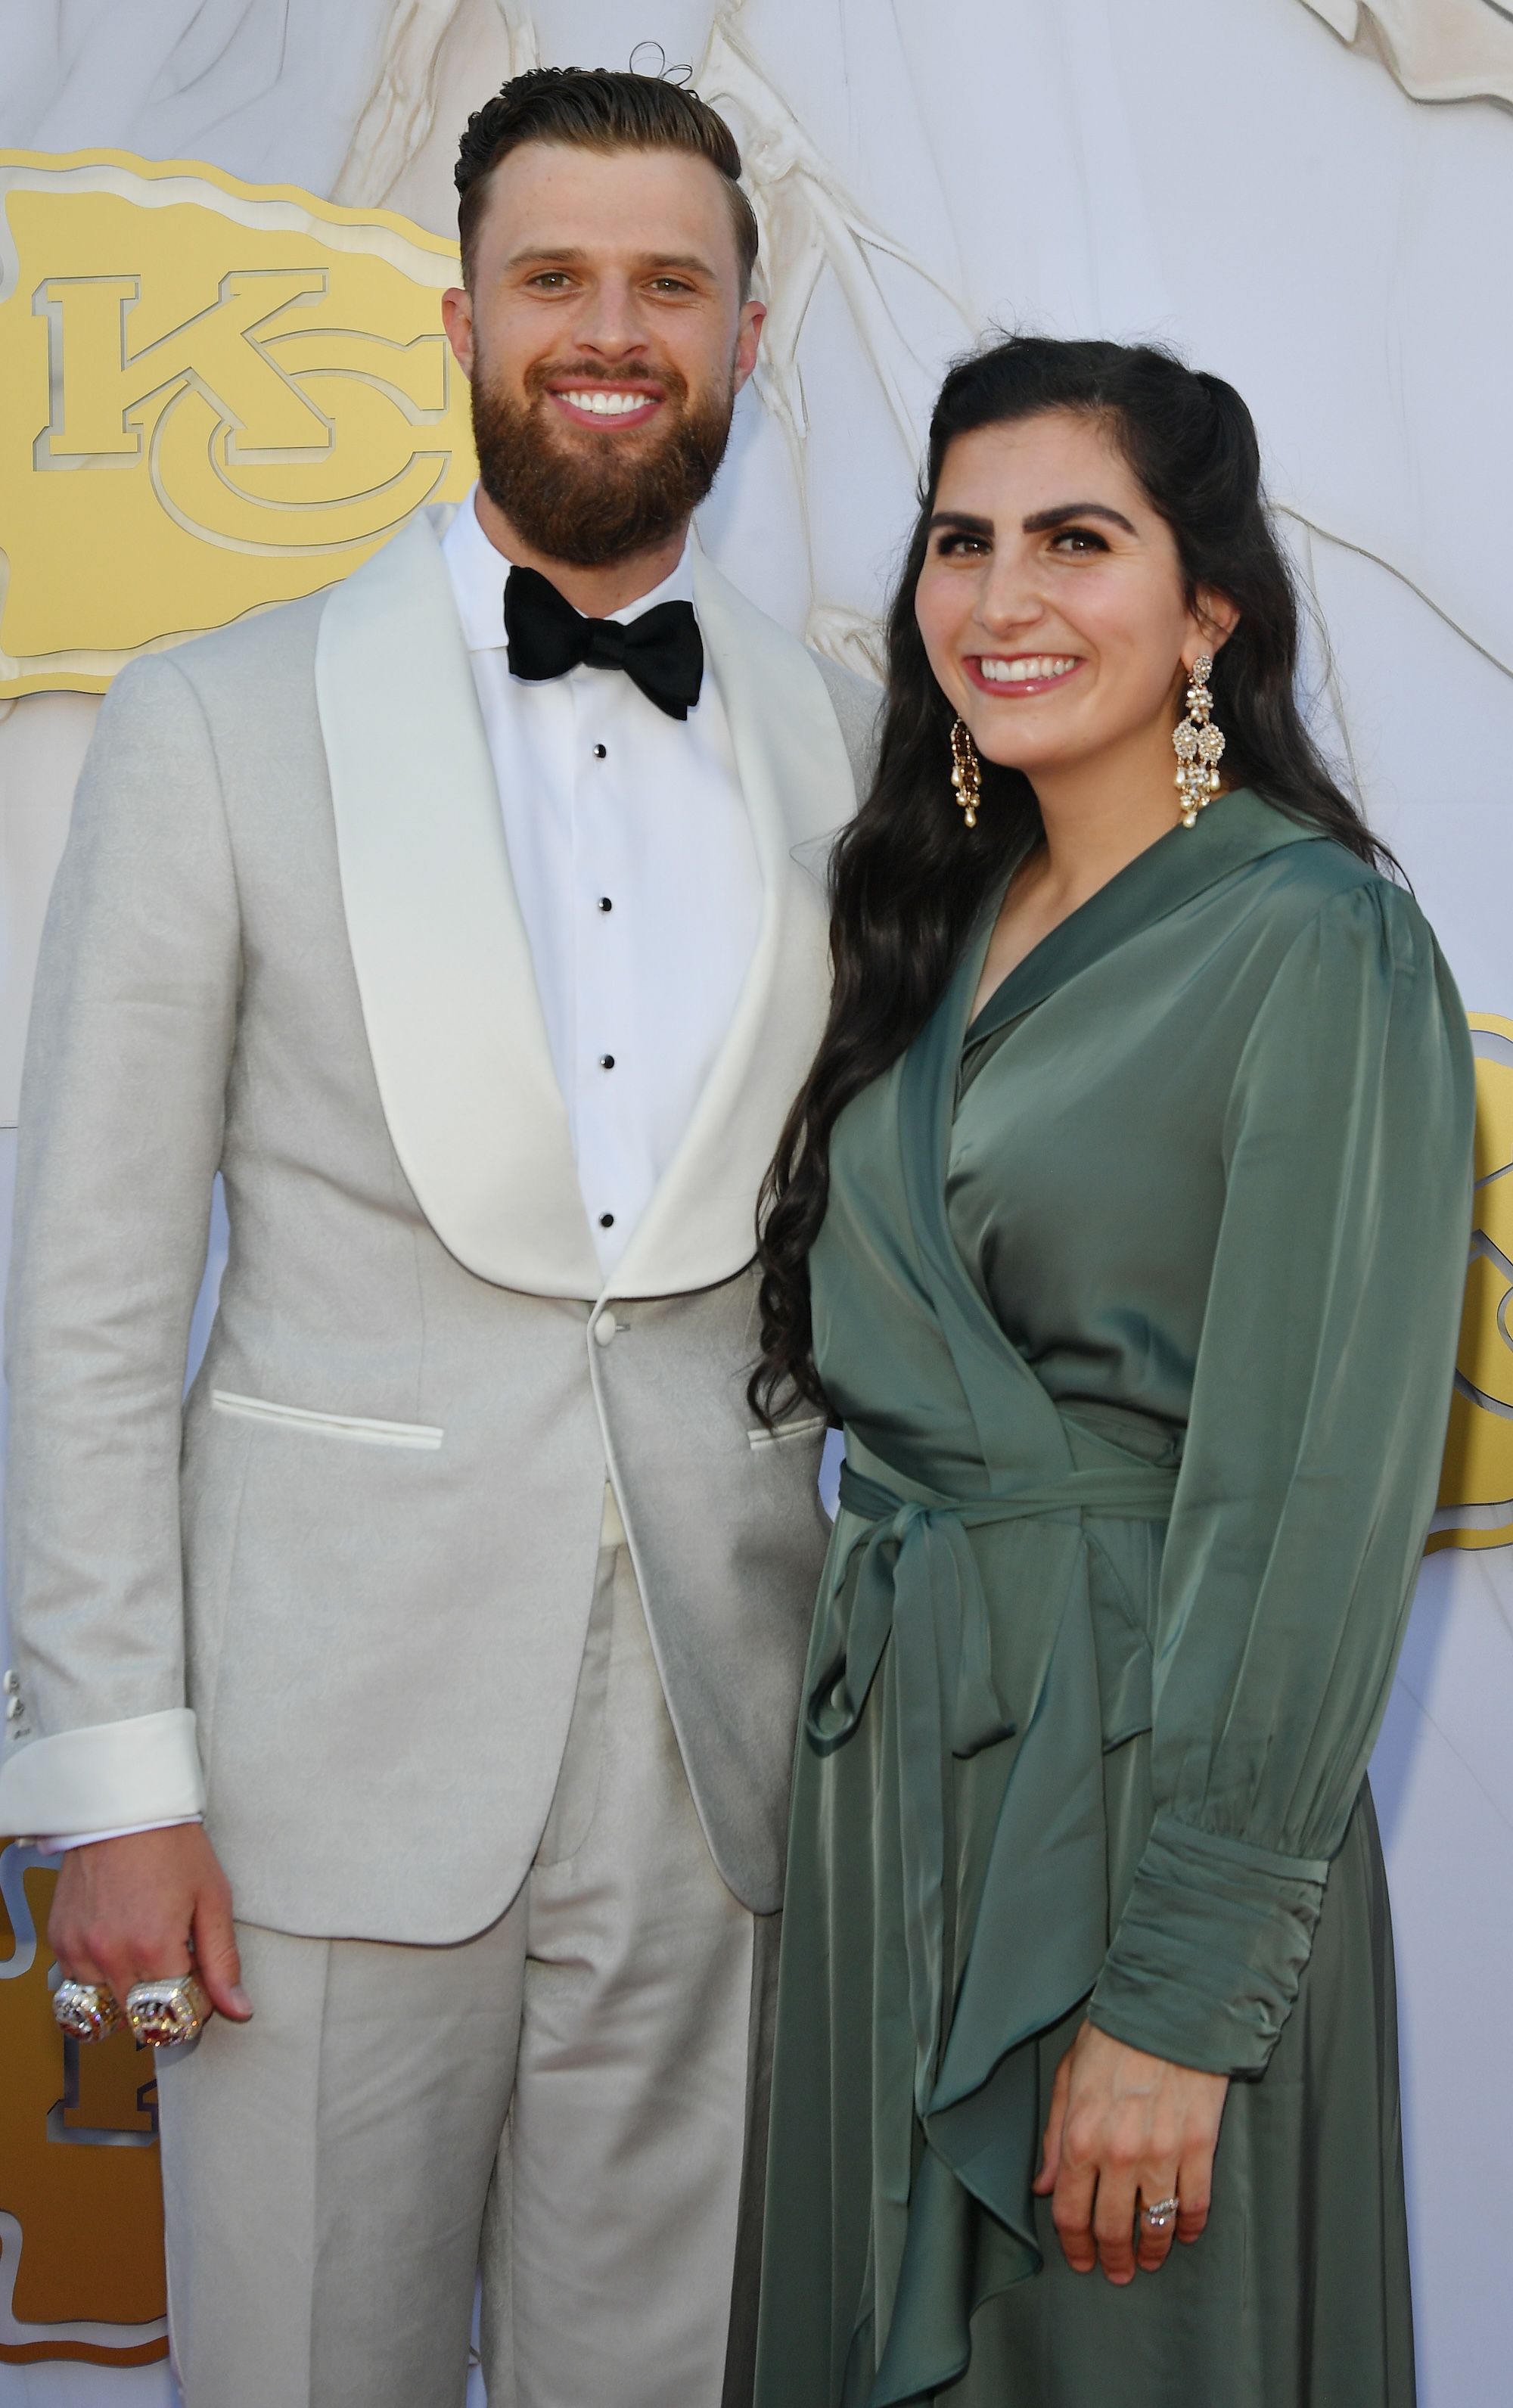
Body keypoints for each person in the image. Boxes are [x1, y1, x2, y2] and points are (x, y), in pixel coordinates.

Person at [0, 67, 877, 2408]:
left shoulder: (852, 736)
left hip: (721, 1764)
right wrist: (113, 1779)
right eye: (558, 279)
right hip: (305, 1772)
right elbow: (85, 1298)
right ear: (462, 312)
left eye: (669, 285)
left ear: (746, 338)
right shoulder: (213, 721)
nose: (614, 330)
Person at [748, 336, 1473, 2408]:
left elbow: (1315, 1507)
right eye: (960, 543)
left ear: (1210, 607)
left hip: (1156, 1801)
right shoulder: (928, 915)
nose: (1003, 600)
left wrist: (1175, 1998)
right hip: (901, 1793)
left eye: (1080, 540)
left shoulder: (1320, 942)